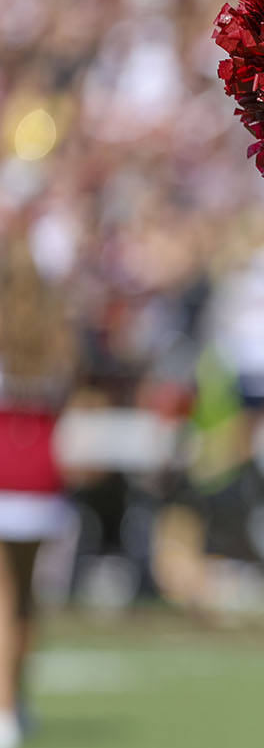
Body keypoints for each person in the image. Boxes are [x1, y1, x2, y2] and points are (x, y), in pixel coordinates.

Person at [0, 231, 77, 748]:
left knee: (4, 597)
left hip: (4, 466)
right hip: (43, 469)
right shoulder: (57, 334)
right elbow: (70, 395)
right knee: (26, 596)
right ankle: (17, 702)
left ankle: (4, 709)